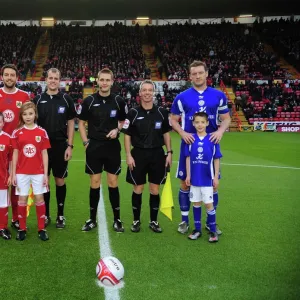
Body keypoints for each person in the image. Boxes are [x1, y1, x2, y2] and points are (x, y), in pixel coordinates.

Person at [170, 60, 231, 235]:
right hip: (188, 145)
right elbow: (172, 120)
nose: (197, 76)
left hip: (209, 148)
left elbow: (226, 118)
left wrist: (220, 131)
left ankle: (210, 223)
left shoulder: (218, 95)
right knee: (185, 182)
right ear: (190, 76)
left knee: (213, 185)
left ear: (206, 74)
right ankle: (184, 220)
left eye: (200, 73)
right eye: (194, 73)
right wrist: (182, 133)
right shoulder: (181, 97)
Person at [78, 68, 127, 232]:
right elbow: (81, 123)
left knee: (113, 182)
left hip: (112, 147)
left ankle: (117, 219)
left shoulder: (119, 101)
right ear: (97, 81)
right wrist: (86, 143)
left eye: (108, 80)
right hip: (95, 147)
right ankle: (92, 219)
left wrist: (117, 130)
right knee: (95, 182)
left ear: (112, 82)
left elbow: (123, 121)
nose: (104, 83)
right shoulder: (89, 101)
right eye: (102, 80)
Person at [122, 80, 172, 233]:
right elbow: (127, 136)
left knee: (154, 189)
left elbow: (166, 134)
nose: (147, 92)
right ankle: (136, 220)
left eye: (150, 90)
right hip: (138, 154)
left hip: (157, 154)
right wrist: (129, 155)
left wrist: (169, 152)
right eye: (145, 90)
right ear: (140, 93)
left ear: (154, 92)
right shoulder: (132, 113)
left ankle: (154, 221)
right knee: (138, 187)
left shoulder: (162, 112)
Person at [33, 68, 76, 229]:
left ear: (60, 81)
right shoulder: (37, 99)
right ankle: (46, 215)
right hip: (41, 148)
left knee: (59, 180)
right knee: (45, 182)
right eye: (50, 78)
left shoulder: (66, 99)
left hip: (60, 146)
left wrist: (70, 146)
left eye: (56, 78)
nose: (53, 80)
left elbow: (71, 122)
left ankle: (60, 215)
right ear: (46, 79)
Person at [11, 102, 51, 241]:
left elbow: (45, 154)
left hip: (38, 172)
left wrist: (45, 174)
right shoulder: (17, 133)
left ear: (35, 114)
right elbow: (15, 153)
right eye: (25, 114)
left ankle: (41, 228)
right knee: (22, 199)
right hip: (21, 172)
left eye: (30, 113)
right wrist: (13, 173)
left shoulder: (42, 132)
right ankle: (22, 228)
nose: (28, 117)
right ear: (21, 116)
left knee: (39, 198)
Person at [0, 64, 30, 230]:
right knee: (1, 184)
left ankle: (16, 218)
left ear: (17, 77)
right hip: (1, 148)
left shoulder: (24, 96)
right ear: (2, 77)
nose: (9, 77)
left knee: (16, 185)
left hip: (18, 148)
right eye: (6, 75)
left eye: (12, 75)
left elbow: (30, 120)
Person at [185, 112, 222, 242]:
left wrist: (216, 177)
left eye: (202, 122)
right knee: (196, 203)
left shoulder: (212, 139)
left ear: (207, 123)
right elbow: (188, 158)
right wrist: (188, 175)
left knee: (208, 204)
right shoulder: (190, 139)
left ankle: (213, 231)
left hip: (207, 178)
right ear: (193, 124)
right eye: (197, 122)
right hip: (195, 178)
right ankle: (197, 229)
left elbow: (216, 159)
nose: (199, 125)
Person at [0, 112, 12, 240]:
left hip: (2, 177)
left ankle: (3, 227)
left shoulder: (7, 138)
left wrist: (11, 175)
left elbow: (10, 160)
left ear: (3, 123)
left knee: (2, 204)